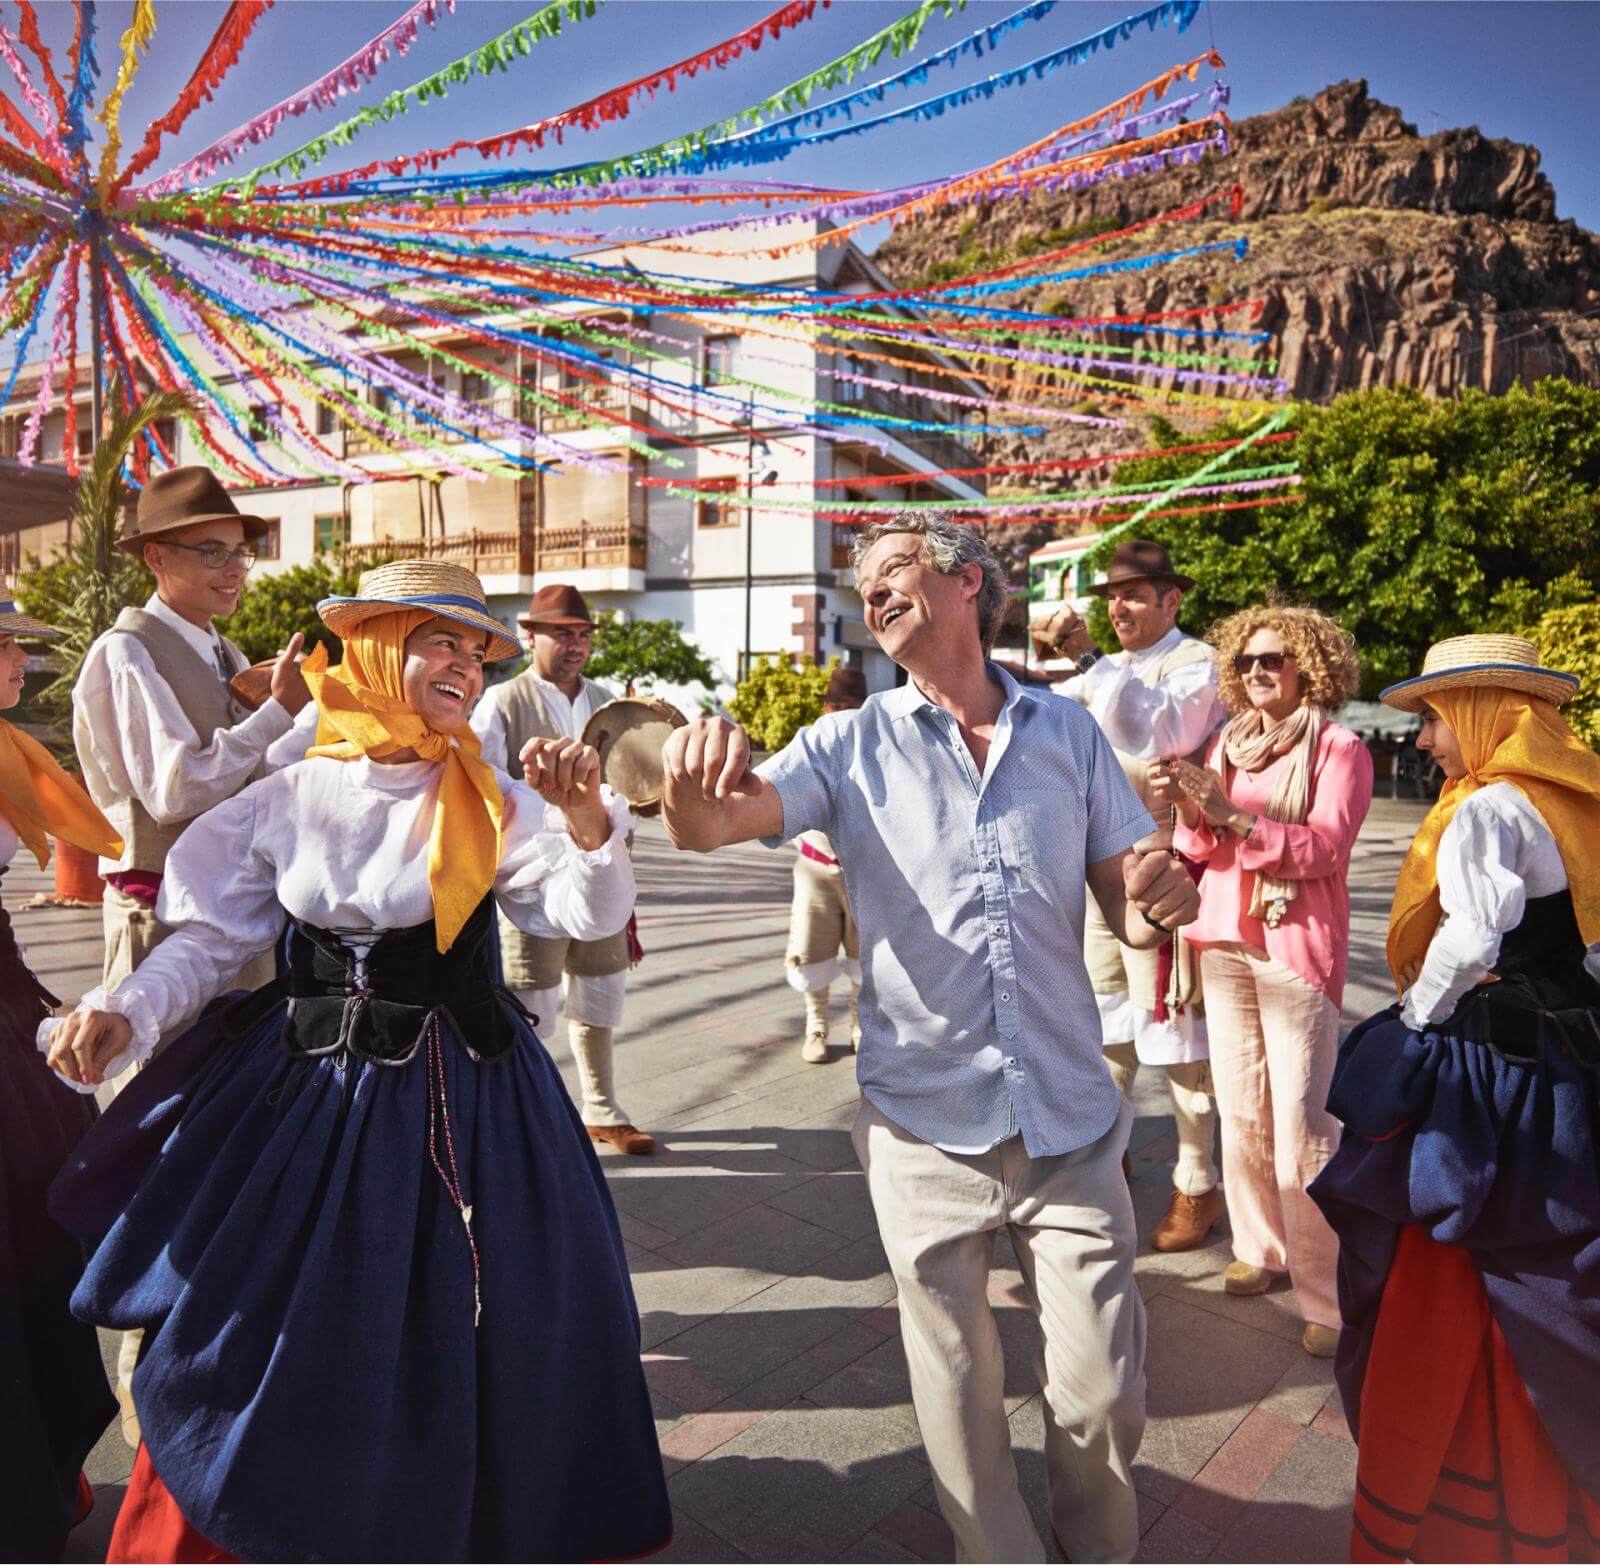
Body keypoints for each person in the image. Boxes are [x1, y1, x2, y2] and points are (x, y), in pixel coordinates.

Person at [42, 561, 672, 1564]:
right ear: (374, 647)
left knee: (498, 1317)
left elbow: (581, 908)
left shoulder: (494, 792)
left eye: (474, 648)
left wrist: (592, 827)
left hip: (473, 1092)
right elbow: (206, 939)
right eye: (439, 639)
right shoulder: (289, 793)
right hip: (302, 1092)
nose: (463, 662)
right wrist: (124, 1008)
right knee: (254, 1321)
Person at [662, 512, 1201, 1563]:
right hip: (920, 1119)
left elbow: (1129, 902)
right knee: (956, 1395)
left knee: (1102, 1390)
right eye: (862, 585)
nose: (872, 594)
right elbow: (715, 824)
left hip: (1068, 1113)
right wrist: (686, 790)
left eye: (893, 570)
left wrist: (1158, 892)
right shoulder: (844, 741)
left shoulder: (1068, 732)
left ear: (966, 585)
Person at [1307, 634, 1600, 1561]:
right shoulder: (1579, 799)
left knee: (1449, 1265)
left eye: (1433, 717)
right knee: (1551, 1265)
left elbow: (1471, 938)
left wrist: (1415, 1023)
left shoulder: (1489, 809)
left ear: (1479, 710)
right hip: (1568, 1065)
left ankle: (1450, 1490)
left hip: (1491, 1077)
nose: (1425, 739)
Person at [71, 464, 315, 1449]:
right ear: (155, 556)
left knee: (231, 1146)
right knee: (165, 1156)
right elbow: (173, 789)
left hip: (233, 923)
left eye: (238, 548)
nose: (231, 568)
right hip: (161, 922)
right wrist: (273, 711)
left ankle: (211, 1372)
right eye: (207, 550)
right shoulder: (126, 651)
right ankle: (152, 1404)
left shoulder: (222, 651)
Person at [1152, 605, 1371, 1359]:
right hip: (1222, 935)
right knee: (1240, 1108)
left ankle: (1324, 1290)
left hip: (1296, 944)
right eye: (1245, 662)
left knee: (1302, 1126)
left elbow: (1325, 849)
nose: (1256, 672)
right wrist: (1189, 804)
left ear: (1307, 664)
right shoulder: (1225, 743)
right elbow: (1196, 841)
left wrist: (1231, 818)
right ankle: (1258, 1246)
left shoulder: (1339, 747)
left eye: (1271, 658)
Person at [1039, 538, 1227, 1252]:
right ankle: (1104, 1162)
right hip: (1096, 865)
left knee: (1176, 1031)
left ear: (1171, 601)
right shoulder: (1102, 669)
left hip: (1165, 862)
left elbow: (1160, 733)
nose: (1118, 606)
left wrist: (1087, 662)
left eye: (1136, 594)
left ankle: (1196, 1182)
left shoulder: (1194, 661)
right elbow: (1053, 729)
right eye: (1113, 595)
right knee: (1101, 1024)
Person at [0, 604, 122, 1559]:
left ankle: (41, 1461)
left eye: (15, 644)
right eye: (0, 647)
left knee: (41, 1225)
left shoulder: (10, 751)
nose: (16, 660)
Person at [470, 583, 653, 1155]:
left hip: (599, 867)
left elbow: (633, 783)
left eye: (582, 634)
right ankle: (523, 1116)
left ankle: (601, 1108)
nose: (575, 644)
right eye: (561, 633)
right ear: (530, 637)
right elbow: (475, 784)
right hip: (532, 883)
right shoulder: (502, 702)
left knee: (601, 987)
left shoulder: (607, 701)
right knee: (531, 1000)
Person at [786, 664, 867, 1063]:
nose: (840, 713)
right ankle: (816, 1027)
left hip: (862, 869)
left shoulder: (875, 748)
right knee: (810, 949)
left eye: (850, 706)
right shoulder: (807, 745)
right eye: (834, 704)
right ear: (823, 707)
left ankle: (858, 1025)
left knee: (863, 952)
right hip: (814, 867)